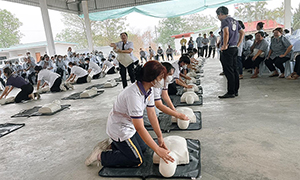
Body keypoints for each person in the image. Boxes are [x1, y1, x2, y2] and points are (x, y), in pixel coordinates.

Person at [84, 60, 174, 167]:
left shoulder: (148, 90)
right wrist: (158, 150)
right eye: (160, 78)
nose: (162, 81)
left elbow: (152, 115)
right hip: (120, 129)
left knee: (144, 147)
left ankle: (113, 145)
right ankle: (101, 156)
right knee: (137, 160)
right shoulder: (133, 95)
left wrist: (160, 137)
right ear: (152, 79)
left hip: (129, 126)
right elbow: (140, 127)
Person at [216, 6, 244, 98]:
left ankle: (231, 92)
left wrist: (224, 45)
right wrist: (238, 44)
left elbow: (226, 33)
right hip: (234, 48)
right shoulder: (234, 20)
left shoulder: (224, 21)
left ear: (221, 14)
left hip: (228, 49)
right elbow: (242, 32)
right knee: (235, 69)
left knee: (229, 71)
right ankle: (235, 90)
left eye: (218, 15)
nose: (218, 17)